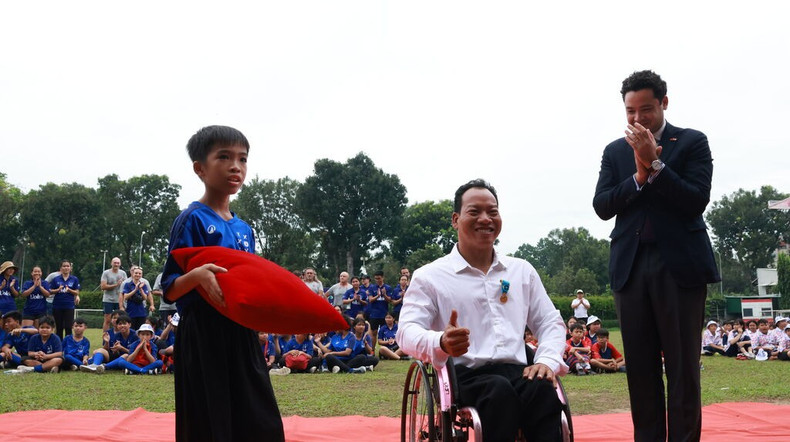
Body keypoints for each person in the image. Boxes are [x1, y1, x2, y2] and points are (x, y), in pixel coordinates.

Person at [593, 70, 720, 441]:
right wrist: (637, 177)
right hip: (630, 269)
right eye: (630, 111)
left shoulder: (692, 141)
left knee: (683, 369)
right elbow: (602, 206)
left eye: (646, 109)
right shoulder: (615, 151)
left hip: (681, 267)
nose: (638, 118)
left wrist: (656, 165)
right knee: (640, 370)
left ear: (664, 103)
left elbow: (695, 200)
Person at [398, 179, 567, 442]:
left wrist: (546, 360)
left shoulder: (521, 271)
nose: (486, 219)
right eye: (474, 212)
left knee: (543, 390)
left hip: (517, 370)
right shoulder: (430, 276)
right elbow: (406, 332)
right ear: (456, 220)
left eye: (493, 211)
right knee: (498, 392)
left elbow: (549, 321)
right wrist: (440, 341)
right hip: (465, 375)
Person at [160, 125, 284, 441]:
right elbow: (169, 288)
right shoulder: (192, 219)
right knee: (209, 419)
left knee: (259, 418)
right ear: (200, 168)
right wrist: (198, 276)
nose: (235, 167)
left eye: (243, 159)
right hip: (204, 334)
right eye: (224, 157)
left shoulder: (245, 229)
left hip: (242, 332)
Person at [48, 260, 81, 340]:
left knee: (68, 327)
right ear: (61, 268)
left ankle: (68, 344)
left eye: (67, 266)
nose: (66, 268)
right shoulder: (56, 279)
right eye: (64, 266)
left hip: (69, 306)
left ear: (70, 268)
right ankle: (59, 345)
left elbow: (77, 292)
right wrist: (57, 290)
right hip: (57, 306)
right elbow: (50, 291)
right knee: (59, 327)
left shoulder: (74, 279)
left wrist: (69, 290)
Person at [100, 257, 127, 332]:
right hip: (108, 300)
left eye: (118, 263)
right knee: (108, 320)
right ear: (111, 263)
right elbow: (103, 287)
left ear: (120, 264)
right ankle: (105, 337)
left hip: (119, 300)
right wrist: (116, 285)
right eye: (115, 263)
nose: (116, 264)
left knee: (120, 320)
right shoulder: (106, 273)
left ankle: (118, 336)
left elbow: (126, 286)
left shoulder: (123, 273)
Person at [367, 270, 391, 344]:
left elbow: (389, 300)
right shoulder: (372, 288)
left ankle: (384, 348)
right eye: (376, 279)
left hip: (384, 313)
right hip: (374, 314)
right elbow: (370, 299)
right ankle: (372, 349)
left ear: (383, 278)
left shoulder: (387, 287)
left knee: (384, 332)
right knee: (374, 332)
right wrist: (378, 295)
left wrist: (384, 294)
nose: (377, 280)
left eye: (379, 278)